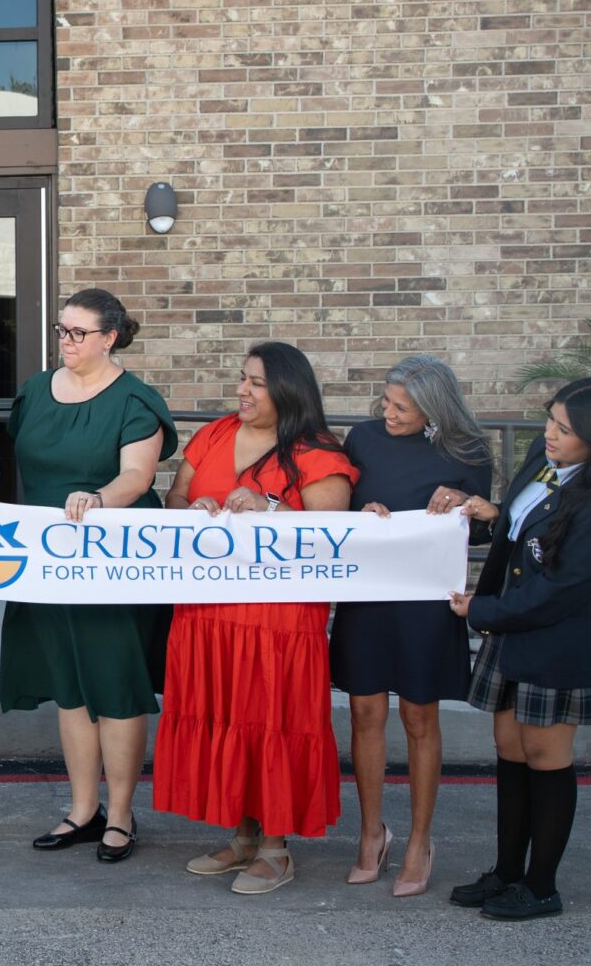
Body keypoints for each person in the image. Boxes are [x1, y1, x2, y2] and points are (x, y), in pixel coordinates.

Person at [154, 341, 356, 893]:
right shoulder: (215, 434)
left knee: (272, 721)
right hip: (208, 612)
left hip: (279, 622)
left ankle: (276, 847)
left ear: (288, 390)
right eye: (242, 379)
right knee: (225, 717)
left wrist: (269, 507)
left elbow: (329, 537)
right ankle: (244, 836)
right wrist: (191, 509)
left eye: (256, 383)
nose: (242, 390)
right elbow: (174, 496)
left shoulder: (318, 453)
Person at [448, 377, 591, 921]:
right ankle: (508, 872)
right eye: (551, 421)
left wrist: (482, 611)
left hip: (559, 640)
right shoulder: (545, 459)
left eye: (566, 428)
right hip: (516, 627)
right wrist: (494, 513)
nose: (550, 434)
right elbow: (524, 528)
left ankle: (541, 888)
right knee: (510, 749)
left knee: (544, 756)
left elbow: (563, 589)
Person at [0, 289, 175, 864]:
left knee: (115, 683)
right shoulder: (34, 390)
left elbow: (136, 477)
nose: (66, 342)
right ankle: (82, 809)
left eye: (77, 333)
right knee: (68, 686)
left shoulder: (135, 401)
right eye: (61, 330)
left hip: (113, 556)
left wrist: (98, 499)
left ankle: (120, 815)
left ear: (110, 337)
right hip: (46, 558)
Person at [332, 355, 492, 896]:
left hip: (426, 600)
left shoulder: (468, 449)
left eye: (402, 406)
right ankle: (370, 833)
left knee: (420, 717)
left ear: (434, 409)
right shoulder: (364, 438)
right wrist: (362, 508)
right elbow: (338, 505)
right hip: (369, 593)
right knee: (364, 710)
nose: (388, 411)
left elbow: (486, 533)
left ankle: (421, 840)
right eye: (387, 400)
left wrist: (468, 505)